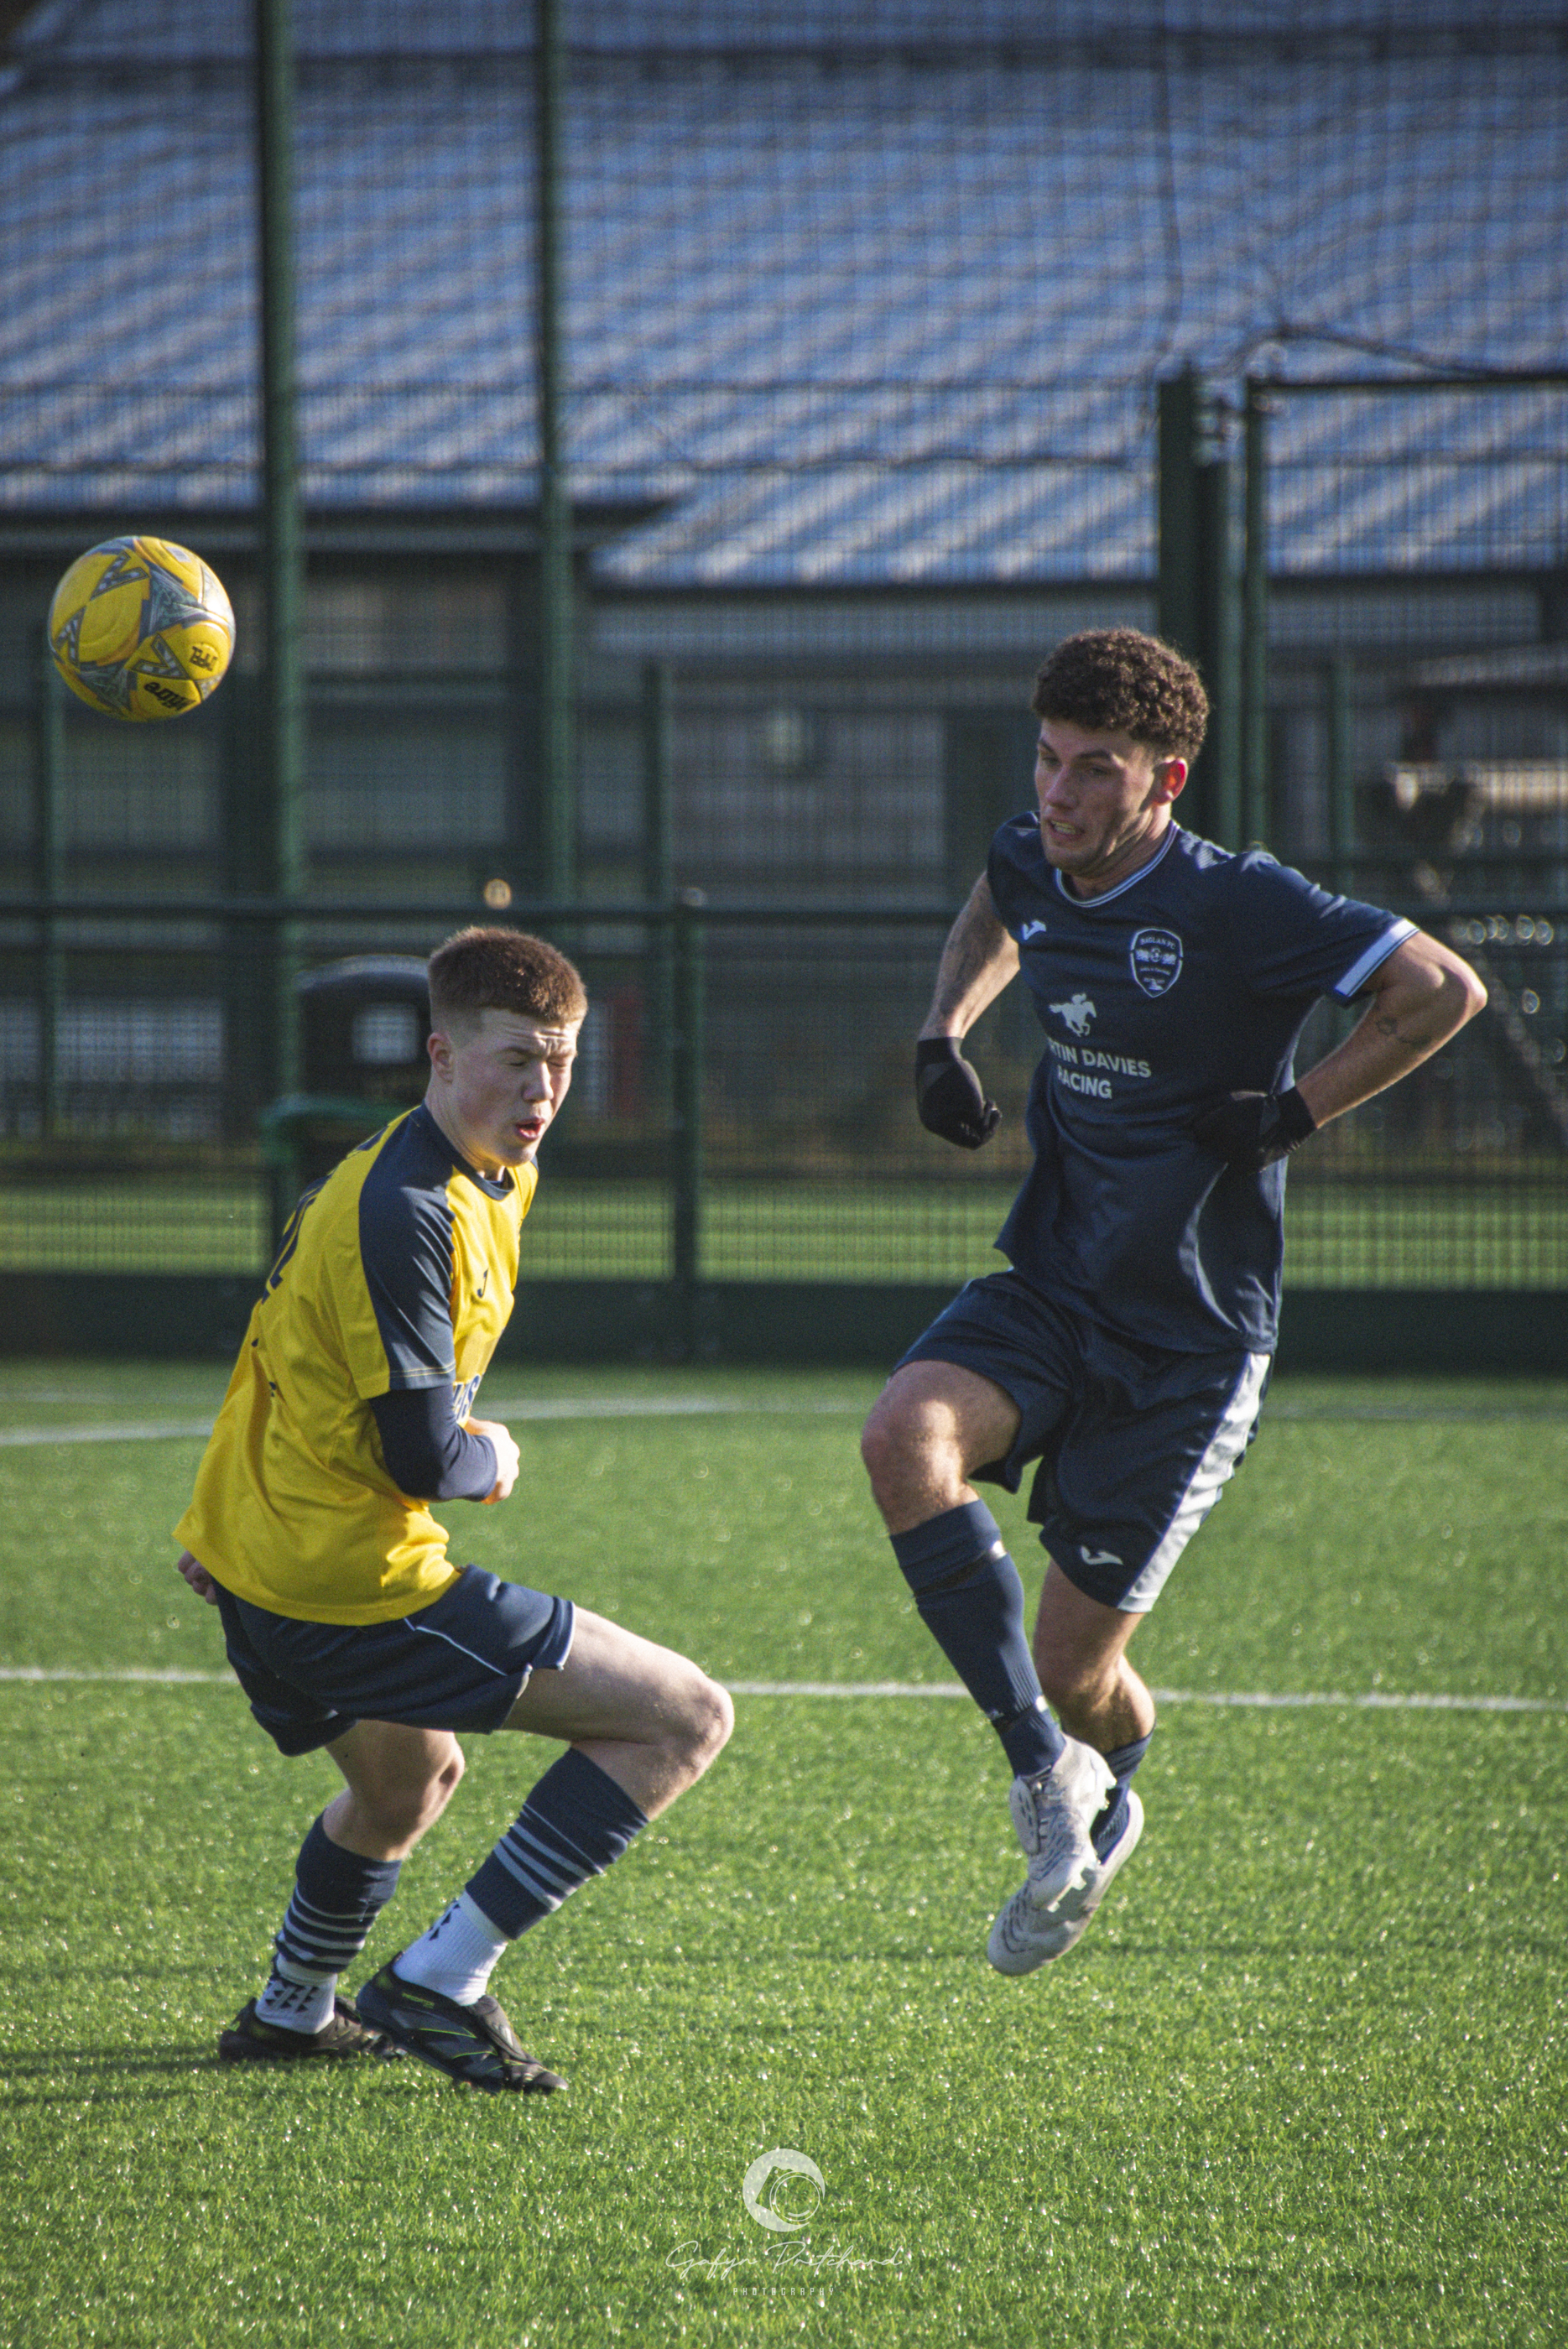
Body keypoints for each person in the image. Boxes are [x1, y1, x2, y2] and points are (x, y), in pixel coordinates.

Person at [861, 629, 1485, 1977]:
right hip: (1054, 1282)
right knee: (903, 1437)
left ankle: (1105, 1774)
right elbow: (997, 897)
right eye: (1047, 760)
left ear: (1166, 781)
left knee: (1076, 1666)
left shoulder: (1237, 904)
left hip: (1192, 1341)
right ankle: (1044, 1780)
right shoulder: (1034, 848)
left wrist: (1292, 1111)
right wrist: (942, 1033)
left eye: (1096, 770)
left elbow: (1439, 989)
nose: (1059, 793)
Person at [175, 925, 732, 2092]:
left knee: (405, 1783)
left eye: (563, 1063)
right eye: (516, 1059)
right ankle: (440, 1978)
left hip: (262, 1556)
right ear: (438, 1052)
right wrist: (491, 1454)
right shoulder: (406, 1207)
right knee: (680, 1718)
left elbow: (280, 1351)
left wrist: (223, 1526)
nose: (541, 1091)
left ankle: (292, 2008)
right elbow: (428, 1456)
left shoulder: (477, 1169)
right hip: (345, 1582)